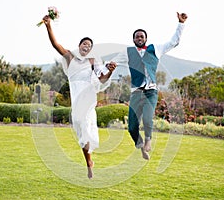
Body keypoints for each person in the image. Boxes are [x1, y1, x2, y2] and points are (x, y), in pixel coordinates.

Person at [42, 15, 117, 178]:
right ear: (79, 46)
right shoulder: (71, 58)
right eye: (84, 44)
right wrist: (49, 26)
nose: (86, 46)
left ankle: (89, 163)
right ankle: (89, 161)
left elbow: (102, 79)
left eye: (89, 46)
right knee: (80, 129)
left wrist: (110, 70)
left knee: (84, 127)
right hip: (77, 100)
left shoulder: (93, 64)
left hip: (88, 99)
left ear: (91, 50)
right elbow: (56, 44)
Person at [116, 12, 188, 160]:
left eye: (142, 36)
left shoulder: (156, 48)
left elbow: (174, 42)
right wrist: (102, 68)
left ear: (146, 39)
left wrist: (181, 23)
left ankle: (148, 138)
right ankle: (141, 146)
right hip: (136, 92)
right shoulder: (127, 52)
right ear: (133, 39)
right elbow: (112, 63)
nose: (139, 38)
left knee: (148, 119)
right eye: (137, 36)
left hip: (150, 92)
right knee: (132, 127)